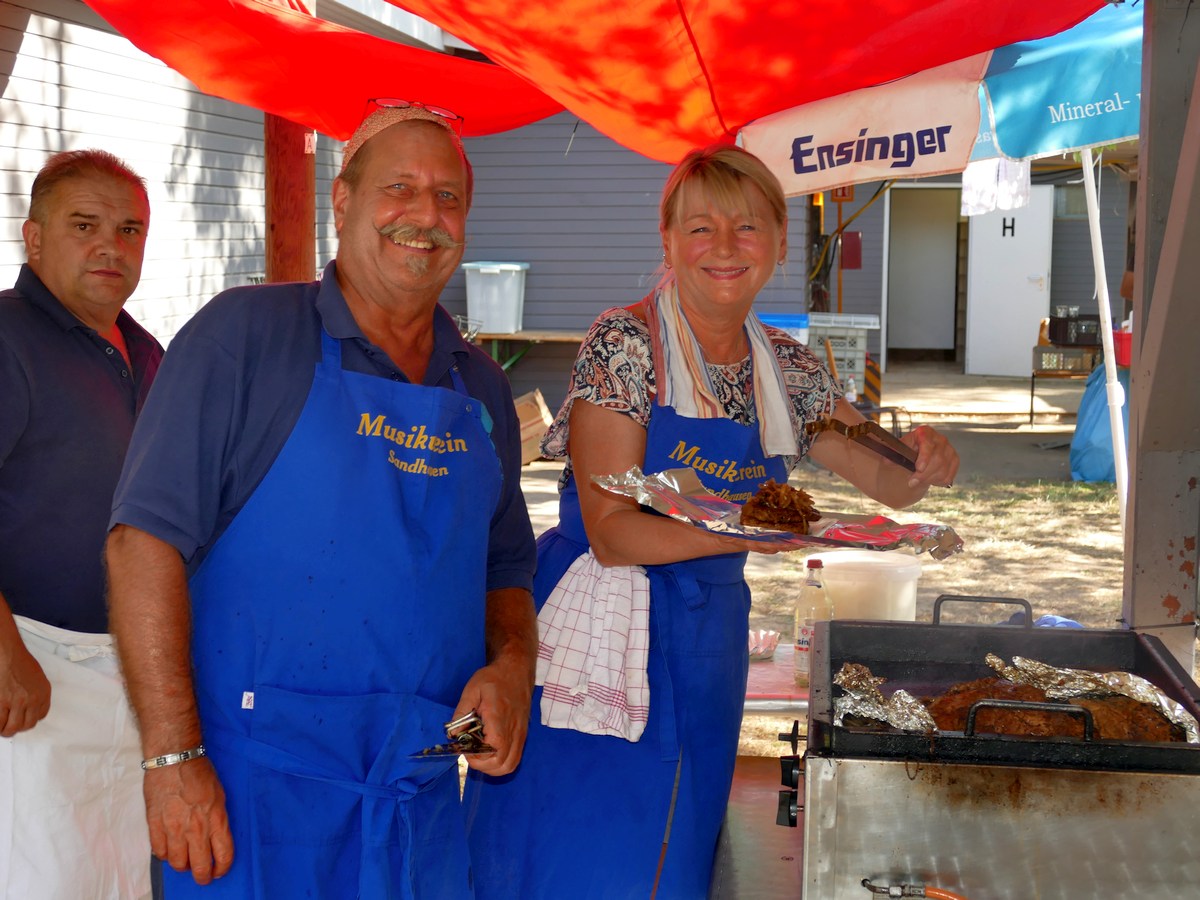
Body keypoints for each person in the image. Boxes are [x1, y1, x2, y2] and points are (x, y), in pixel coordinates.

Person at [463, 144, 959, 898]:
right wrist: (748, 532)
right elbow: (613, 531)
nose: (725, 247)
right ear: (667, 240)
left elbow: (889, 481)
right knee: (571, 843)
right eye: (701, 228)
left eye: (748, 227)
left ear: (780, 243)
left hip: (707, 635)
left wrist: (926, 463)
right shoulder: (624, 345)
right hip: (596, 620)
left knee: (678, 838)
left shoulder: (789, 370)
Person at [104, 103, 538, 897]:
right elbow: (142, 544)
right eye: (399, 187)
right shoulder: (247, 336)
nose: (425, 214)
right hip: (251, 801)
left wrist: (512, 668)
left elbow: (505, 569)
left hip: (416, 802)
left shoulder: (478, 386)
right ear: (342, 201)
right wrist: (172, 757)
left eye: (447, 197)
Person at [0, 149, 162, 898]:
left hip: (130, 670)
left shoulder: (148, 353)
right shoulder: (8, 338)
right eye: (85, 225)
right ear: (34, 238)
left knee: (119, 878)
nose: (111, 247)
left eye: (129, 230)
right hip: (31, 666)